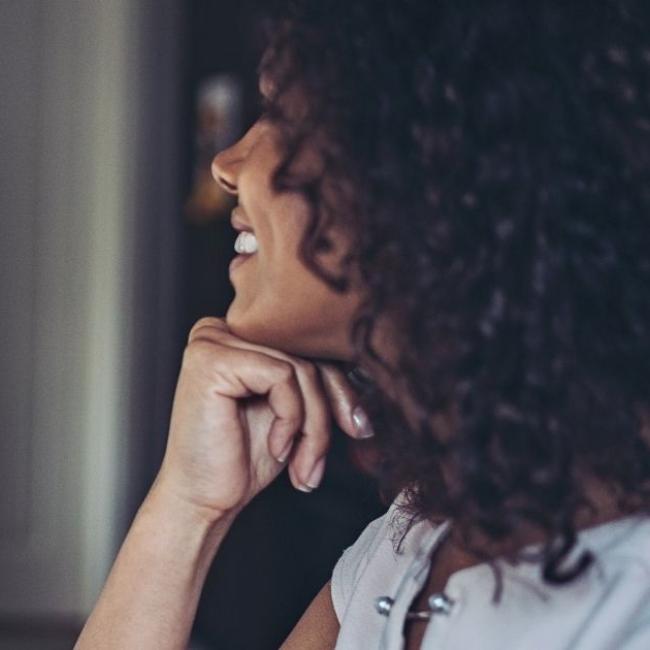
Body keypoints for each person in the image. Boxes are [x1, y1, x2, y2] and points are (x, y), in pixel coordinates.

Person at [75, 1, 650, 648]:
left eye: (284, 116)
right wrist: (187, 508)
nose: (227, 164)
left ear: (432, 170)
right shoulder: (410, 541)